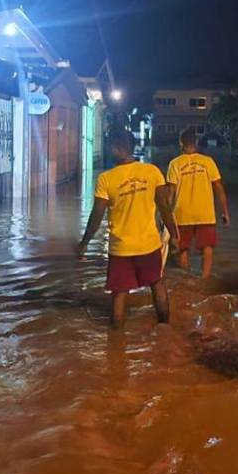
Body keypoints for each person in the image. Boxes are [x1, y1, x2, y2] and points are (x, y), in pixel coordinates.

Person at [76, 128, 181, 327]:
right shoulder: (152, 172)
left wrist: (84, 243)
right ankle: (165, 330)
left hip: (121, 248)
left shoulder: (106, 179)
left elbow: (96, 216)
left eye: (109, 146)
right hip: (149, 245)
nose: (107, 149)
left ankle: (115, 344)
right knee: (157, 284)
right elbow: (164, 207)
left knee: (119, 293)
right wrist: (174, 234)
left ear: (116, 148)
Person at [166, 127, 230, 279]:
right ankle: (205, 279)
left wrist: (166, 216)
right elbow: (219, 188)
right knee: (207, 247)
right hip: (205, 213)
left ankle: (187, 280)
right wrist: (225, 212)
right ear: (196, 143)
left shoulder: (175, 164)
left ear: (181, 143)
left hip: (182, 214)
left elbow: (170, 193)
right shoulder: (208, 162)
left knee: (182, 249)